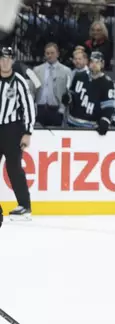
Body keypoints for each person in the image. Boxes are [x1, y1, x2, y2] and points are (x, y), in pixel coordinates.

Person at [0, 46, 36, 220]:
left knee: (14, 167)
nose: (5, 61)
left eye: (8, 58)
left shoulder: (19, 81)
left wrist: (27, 132)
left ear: (13, 60)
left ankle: (24, 205)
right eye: (2, 58)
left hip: (12, 129)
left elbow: (29, 107)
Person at [62, 51, 115, 135]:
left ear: (102, 64)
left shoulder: (107, 83)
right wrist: (68, 98)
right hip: (72, 124)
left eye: (97, 62)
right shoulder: (79, 76)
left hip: (91, 128)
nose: (94, 64)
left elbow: (108, 107)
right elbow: (72, 96)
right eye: (92, 61)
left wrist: (105, 120)